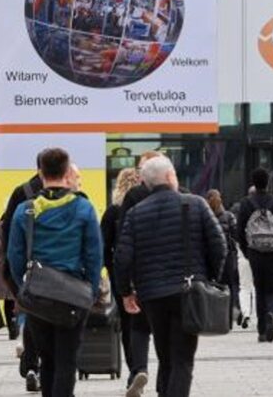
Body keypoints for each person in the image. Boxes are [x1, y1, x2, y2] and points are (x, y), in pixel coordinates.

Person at [115, 156, 223, 397]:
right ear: (170, 176)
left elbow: (122, 257)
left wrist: (125, 292)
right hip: (188, 290)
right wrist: (209, 278)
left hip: (152, 295)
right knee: (183, 359)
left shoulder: (135, 213)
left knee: (165, 356)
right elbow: (219, 245)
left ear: (146, 183)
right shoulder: (196, 204)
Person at [8, 148, 103, 397]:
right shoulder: (83, 208)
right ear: (67, 172)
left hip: (38, 296)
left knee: (47, 360)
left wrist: (25, 287)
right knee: (67, 361)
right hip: (74, 296)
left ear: (41, 173)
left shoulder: (26, 210)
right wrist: (91, 291)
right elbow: (94, 256)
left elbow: (15, 257)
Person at [111, 151, 163, 397]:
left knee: (138, 327)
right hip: (175, 278)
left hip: (142, 275)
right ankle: (166, 378)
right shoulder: (183, 195)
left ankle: (137, 370)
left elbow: (123, 242)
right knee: (168, 330)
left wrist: (123, 286)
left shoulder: (133, 196)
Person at [0, 169, 44, 393]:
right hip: (60, 274)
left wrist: (14, 275)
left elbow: (9, 234)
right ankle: (42, 367)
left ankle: (31, 365)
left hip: (27, 269)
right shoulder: (69, 197)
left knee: (32, 315)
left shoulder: (21, 193)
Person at [235, 168, 273, 343]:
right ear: (268, 182)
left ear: (254, 183)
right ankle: (272, 313)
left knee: (259, 289)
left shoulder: (246, 203)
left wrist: (246, 250)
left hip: (255, 252)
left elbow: (239, 231)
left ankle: (262, 330)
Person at [205, 189, 242, 326]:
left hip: (209, 257)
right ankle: (228, 320)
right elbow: (236, 235)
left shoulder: (205, 216)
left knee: (209, 287)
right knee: (229, 287)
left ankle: (213, 318)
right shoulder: (229, 216)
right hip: (227, 256)